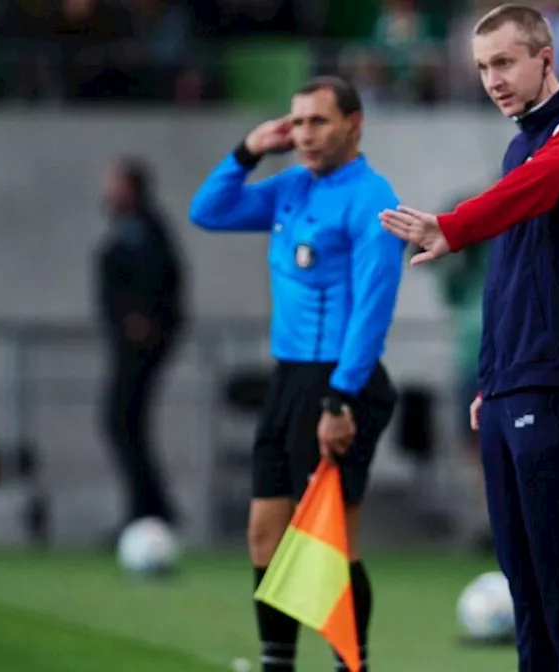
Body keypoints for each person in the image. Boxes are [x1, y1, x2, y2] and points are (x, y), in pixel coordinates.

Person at [378, 4, 559, 669]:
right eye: (482, 67)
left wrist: (454, 226)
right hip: (510, 389)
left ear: (547, 58)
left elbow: (546, 184)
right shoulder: (519, 146)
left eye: (505, 62)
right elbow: (505, 284)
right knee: (525, 590)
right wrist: (491, 378)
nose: (493, 79)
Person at [188, 76, 404, 672]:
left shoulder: (371, 198)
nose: (305, 134)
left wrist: (340, 400)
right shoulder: (290, 187)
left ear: (353, 125)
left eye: (319, 122)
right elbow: (207, 211)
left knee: (331, 543)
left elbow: (373, 307)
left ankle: (349, 664)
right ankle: (276, 662)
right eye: (298, 122)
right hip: (288, 379)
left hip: (341, 382)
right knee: (265, 535)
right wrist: (249, 150)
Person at [95, 158, 185, 533]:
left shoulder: (146, 232)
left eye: (115, 185)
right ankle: (150, 508)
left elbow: (160, 282)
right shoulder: (127, 229)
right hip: (125, 343)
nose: (108, 193)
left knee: (123, 420)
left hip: (140, 347)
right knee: (123, 423)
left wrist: (143, 320)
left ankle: (149, 510)